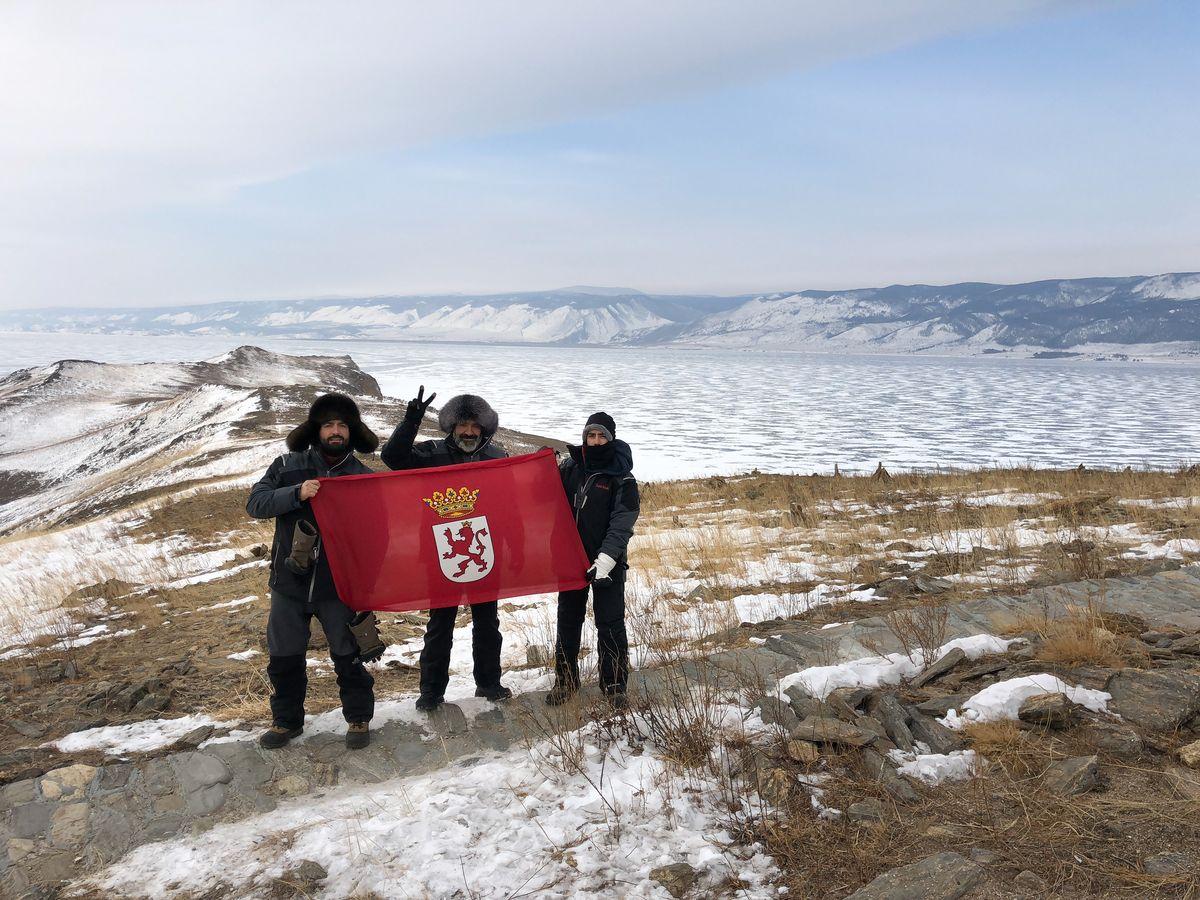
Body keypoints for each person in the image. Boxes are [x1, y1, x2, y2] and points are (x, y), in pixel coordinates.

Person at [246, 393, 379, 750]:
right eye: (328, 425)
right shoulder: (287, 465)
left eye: (342, 425)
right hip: (288, 584)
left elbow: (378, 530)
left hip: (338, 586)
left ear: (352, 431)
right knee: (284, 656)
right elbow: (255, 503)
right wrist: (296, 493)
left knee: (348, 654)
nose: (335, 431)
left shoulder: (361, 476)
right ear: (316, 430)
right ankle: (286, 722)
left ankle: (358, 718)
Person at [381, 387, 511, 710]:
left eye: (475, 427)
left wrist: (514, 548)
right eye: (462, 425)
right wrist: (411, 421)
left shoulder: (496, 457)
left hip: (484, 551)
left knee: (487, 624)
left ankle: (489, 684)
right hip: (440, 555)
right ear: (452, 427)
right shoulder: (431, 453)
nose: (468, 432)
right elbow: (393, 459)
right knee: (440, 626)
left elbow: (510, 504)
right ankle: (431, 691)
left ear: (484, 430)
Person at [546, 412, 639, 708]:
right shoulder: (571, 467)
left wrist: (607, 559)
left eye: (602, 436)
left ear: (611, 439)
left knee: (610, 624)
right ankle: (565, 681)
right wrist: (540, 467)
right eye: (591, 435)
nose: (596, 441)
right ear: (584, 437)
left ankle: (614, 685)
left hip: (607, 565)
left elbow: (622, 520)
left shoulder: (622, 476)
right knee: (568, 623)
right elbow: (544, 496)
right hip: (572, 561)